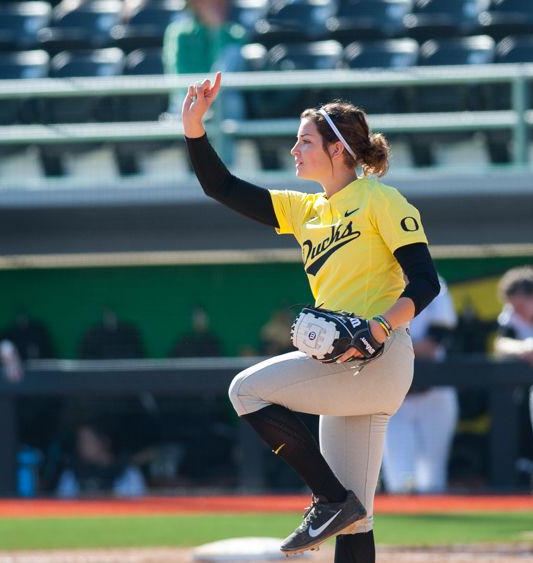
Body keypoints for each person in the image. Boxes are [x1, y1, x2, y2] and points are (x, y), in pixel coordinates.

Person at [183, 73, 441, 560]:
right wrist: (195, 129)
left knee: (246, 390)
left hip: (379, 357)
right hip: (342, 364)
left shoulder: (380, 199)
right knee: (356, 520)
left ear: (338, 150)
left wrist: (380, 325)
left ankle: (327, 499)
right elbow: (220, 186)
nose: (294, 149)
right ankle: (337, 504)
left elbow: (425, 282)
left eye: (305, 140)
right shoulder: (306, 210)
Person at [382, 276, 458, 494]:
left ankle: (437, 525)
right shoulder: (379, 283)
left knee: (433, 472)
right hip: (394, 394)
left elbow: (433, 343)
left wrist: (393, 349)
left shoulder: (434, 284)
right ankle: (402, 522)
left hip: (433, 392)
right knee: (398, 472)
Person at [492, 266, 533, 485]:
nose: (517, 311)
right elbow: (500, 344)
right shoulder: (511, 314)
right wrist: (524, 348)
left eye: (521, 305)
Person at [163, 0, 246, 128]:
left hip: (221, 104)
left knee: (231, 103)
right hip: (188, 99)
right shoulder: (179, 33)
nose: (217, 5)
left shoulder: (235, 34)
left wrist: (216, 31)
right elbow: (180, 74)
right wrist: (202, 98)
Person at [55, 422, 147, 498]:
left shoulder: (129, 473)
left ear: (104, 442)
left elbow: (137, 507)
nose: (80, 447)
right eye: (79, 442)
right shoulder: (71, 474)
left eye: (86, 441)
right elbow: (62, 505)